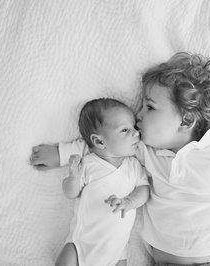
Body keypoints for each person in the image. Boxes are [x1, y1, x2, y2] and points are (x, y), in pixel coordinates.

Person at [31, 52, 210, 266]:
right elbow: (106, 145)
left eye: (149, 107)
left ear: (186, 120)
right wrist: (61, 154)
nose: (137, 115)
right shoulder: (144, 151)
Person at [51, 98, 150, 266]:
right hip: (82, 244)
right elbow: (70, 193)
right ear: (99, 141)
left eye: (134, 127)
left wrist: (128, 202)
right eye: (125, 130)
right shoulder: (88, 164)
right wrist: (74, 178)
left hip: (117, 252)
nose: (136, 133)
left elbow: (144, 190)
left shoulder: (133, 166)